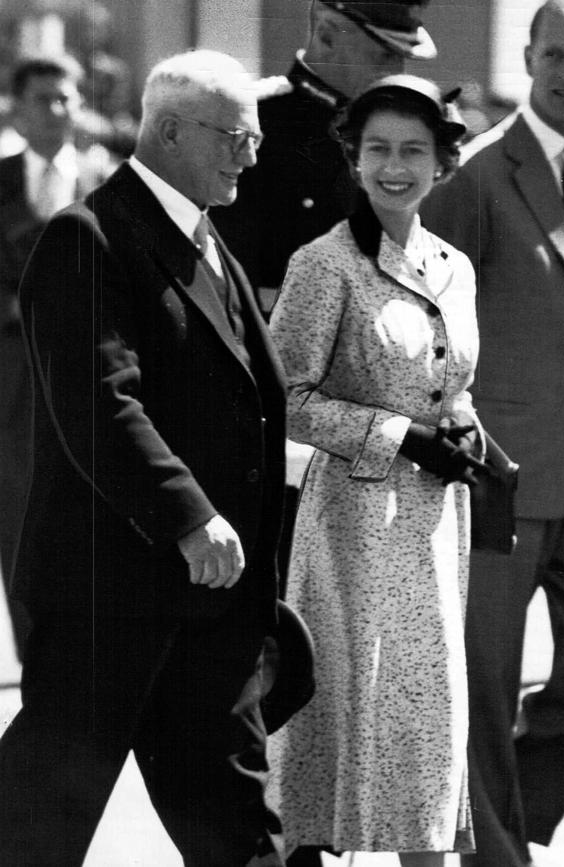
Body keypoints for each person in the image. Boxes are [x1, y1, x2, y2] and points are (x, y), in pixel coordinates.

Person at [0, 49, 294, 866]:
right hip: (109, 602)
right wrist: (191, 515)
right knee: (34, 831)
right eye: (236, 136)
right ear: (168, 130)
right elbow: (100, 401)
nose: (250, 155)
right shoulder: (88, 236)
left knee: (239, 833)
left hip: (214, 612)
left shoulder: (207, 238)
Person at [422, 2, 564, 865]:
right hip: (497, 473)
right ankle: (493, 851)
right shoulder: (474, 177)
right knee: (484, 679)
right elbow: (428, 315)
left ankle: (496, 791)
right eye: (552, 54)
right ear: (527, 57)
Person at [269, 74, 483, 867]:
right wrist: (396, 434)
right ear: (354, 159)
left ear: (442, 160)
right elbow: (286, 397)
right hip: (353, 529)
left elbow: (450, 382)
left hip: (433, 525)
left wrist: (467, 432)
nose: (396, 167)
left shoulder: (453, 265)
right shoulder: (323, 264)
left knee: (428, 721)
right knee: (352, 709)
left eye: (414, 151)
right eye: (379, 150)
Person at [215, 0, 437, 600]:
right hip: (272, 421)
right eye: (385, 53)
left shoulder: (398, 134)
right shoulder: (252, 122)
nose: (397, 70)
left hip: (380, 428)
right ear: (330, 32)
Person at [0, 54, 115, 661]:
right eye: (40, 99)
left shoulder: (110, 182)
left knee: (98, 508)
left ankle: (90, 653)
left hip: (96, 376)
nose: (55, 110)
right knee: (19, 510)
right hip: (14, 382)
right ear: (15, 111)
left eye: (65, 97)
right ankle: (36, 653)